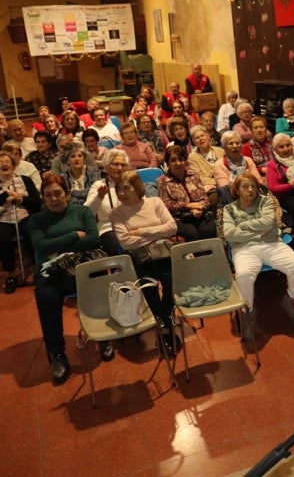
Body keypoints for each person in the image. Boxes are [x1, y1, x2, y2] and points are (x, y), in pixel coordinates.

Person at [30, 175, 111, 385]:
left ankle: (102, 336)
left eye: (58, 193)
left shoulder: (82, 211)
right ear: (43, 198)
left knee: (99, 281)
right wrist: (75, 235)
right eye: (48, 195)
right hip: (53, 271)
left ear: (67, 194)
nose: (54, 199)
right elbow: (40, 247)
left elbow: (93, 239)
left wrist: (57, 245)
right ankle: (57, 354)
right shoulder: (37, 220)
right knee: (45, 295)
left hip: (81, 264)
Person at [223, 172, 294, 339]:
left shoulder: (266, 201)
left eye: (253, 186)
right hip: (245, 249)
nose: (250, 190)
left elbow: (268, 222)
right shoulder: (229, 209)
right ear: (237, 190)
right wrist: (257, 234)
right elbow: (230, 234)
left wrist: (243, 225)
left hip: (272, 244)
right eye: (245, 187)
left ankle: (291, 300)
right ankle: (248, 312)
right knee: (244, 275)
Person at [111, 171, 180, 357]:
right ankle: (165, 326)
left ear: (138, 187)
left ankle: (165, 320)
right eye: (118, 188)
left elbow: (172, 227)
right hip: (139, 256)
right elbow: (126, 242)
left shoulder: (155, 202)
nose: (121, 192)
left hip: (163, 251)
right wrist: (157, 233)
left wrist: (140, 231)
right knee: (148, 285)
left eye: (126, 188)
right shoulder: (116, 213)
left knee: (171, 280)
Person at [0, 150, 41, 292]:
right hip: (3, 219)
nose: (4, 164)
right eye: (0, 163)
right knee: (3, 239)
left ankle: (38, 268)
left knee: (31, 233)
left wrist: (20, 198)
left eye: (7, 162)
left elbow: (37, 202)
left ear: (13, 165)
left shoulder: (25, 180)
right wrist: (4, 196)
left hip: (25, 216)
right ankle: (10, 274)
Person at [158, 145, 216, 241]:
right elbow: (166, 205)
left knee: (208, 230)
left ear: (185, 161)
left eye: (181, 159)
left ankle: (210, 255)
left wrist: (200, 209)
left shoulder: (193, 175)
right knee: (191, 233)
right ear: (168, 163)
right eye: (173, 160)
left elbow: (204, 198)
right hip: (180, 217)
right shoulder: (162, 181)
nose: (178, 163)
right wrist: (188, 205)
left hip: (200, 213)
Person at [84, 149, 129, 256]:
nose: (119, 168)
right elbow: (86, 213)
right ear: (107, 166)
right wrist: (99, 197)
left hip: (133, 227)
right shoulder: (99, 185)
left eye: (123, 165)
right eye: (116, 164)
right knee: (119, 245)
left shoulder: (131, 184)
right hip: (108, 228)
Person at [214, 130, 265, 206]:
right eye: (231, 143)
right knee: (224, 190)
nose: (235, 146)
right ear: (224, 147)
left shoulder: (248, 160)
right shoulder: (219, 164)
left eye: (237, 143)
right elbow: (225, 188)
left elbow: (258, 181)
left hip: (252, 194)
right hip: (232, 198)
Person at [189, 125, 224, 208]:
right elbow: (200, 178)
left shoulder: (220, 151)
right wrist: (218, 180)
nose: (200, 139)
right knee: (215, 196)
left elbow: (227, 168)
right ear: (194, 142)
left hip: (225, 182)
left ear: (208, 136)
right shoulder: (192, 157)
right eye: (197, 138)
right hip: (208, 187)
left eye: (202, 135)